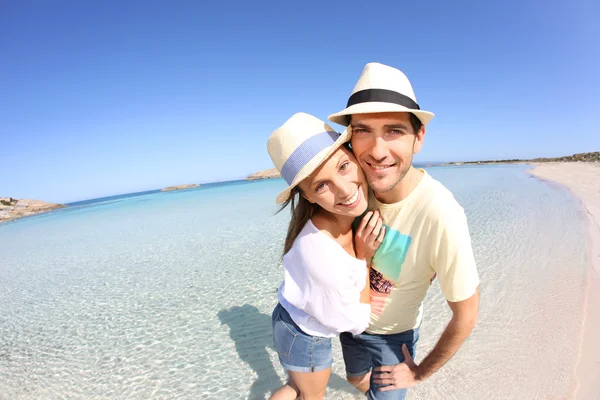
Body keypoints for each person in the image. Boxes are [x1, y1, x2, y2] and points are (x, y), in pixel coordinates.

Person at [327, 62, 481, 400]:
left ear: (419, 137)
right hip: (351, 326)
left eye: (394, 131)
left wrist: (419, 371)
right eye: (363, 130)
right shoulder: (351, 189)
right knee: (355, 380)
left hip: (394, 337)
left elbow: (466, 314)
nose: (377, 151)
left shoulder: (441, 213)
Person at [266, 112, 386, 400]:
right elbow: (357, 321)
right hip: (304, 333)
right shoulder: (319, 254)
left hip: (292, 316)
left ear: (352, 153)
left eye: (343, 166)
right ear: (307, 196)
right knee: (310, 396)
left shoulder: (331, 220)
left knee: (296, 388)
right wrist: (364, 256)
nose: (345, 191)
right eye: (321, 185)